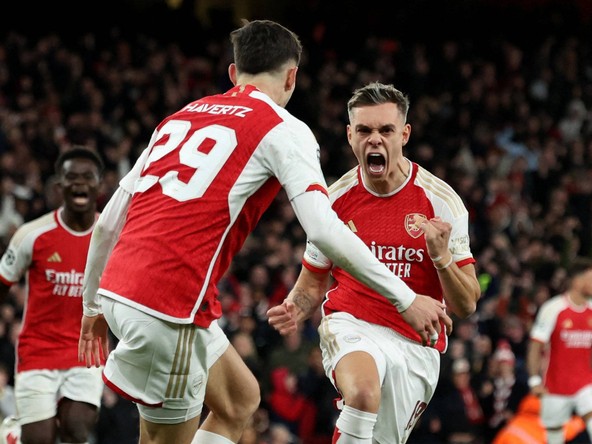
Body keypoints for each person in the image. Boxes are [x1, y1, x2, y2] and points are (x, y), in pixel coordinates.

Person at [77, 21, 452, 444]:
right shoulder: (284, 128)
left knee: (240, 400)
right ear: (292, 76)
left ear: (233, 74)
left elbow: (107, 222)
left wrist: (92, 307)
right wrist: (405, 298)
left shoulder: (177, 118)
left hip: (123, 290)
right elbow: (325, 232)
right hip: (168, 305)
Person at [267, 82, 480, 443]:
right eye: (364, 130)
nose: (375, 140)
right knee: (363, 394)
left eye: (386, 130)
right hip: (352, 324)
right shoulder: (332, 202)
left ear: (405, 134)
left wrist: (441, 257)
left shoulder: (442, 201)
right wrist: (295, 306)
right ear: (350, 136)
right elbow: (312, 282)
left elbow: (467, 304)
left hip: (416, 345)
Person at [0, 146, 104, 444]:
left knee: (77, 428)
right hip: (38, 351)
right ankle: (18, 433)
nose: (80, 183)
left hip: (87, 351)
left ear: (99, 184)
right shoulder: (32, 234)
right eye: (71, 177)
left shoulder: (112, 236)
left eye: (88, 177)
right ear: (60, 185)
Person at [526, 258, 592, 444]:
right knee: (554, 439)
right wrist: (534, 380)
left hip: (586, 384)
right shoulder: (553, 309)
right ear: (577, 281)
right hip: (554, 386)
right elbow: (535, 346)